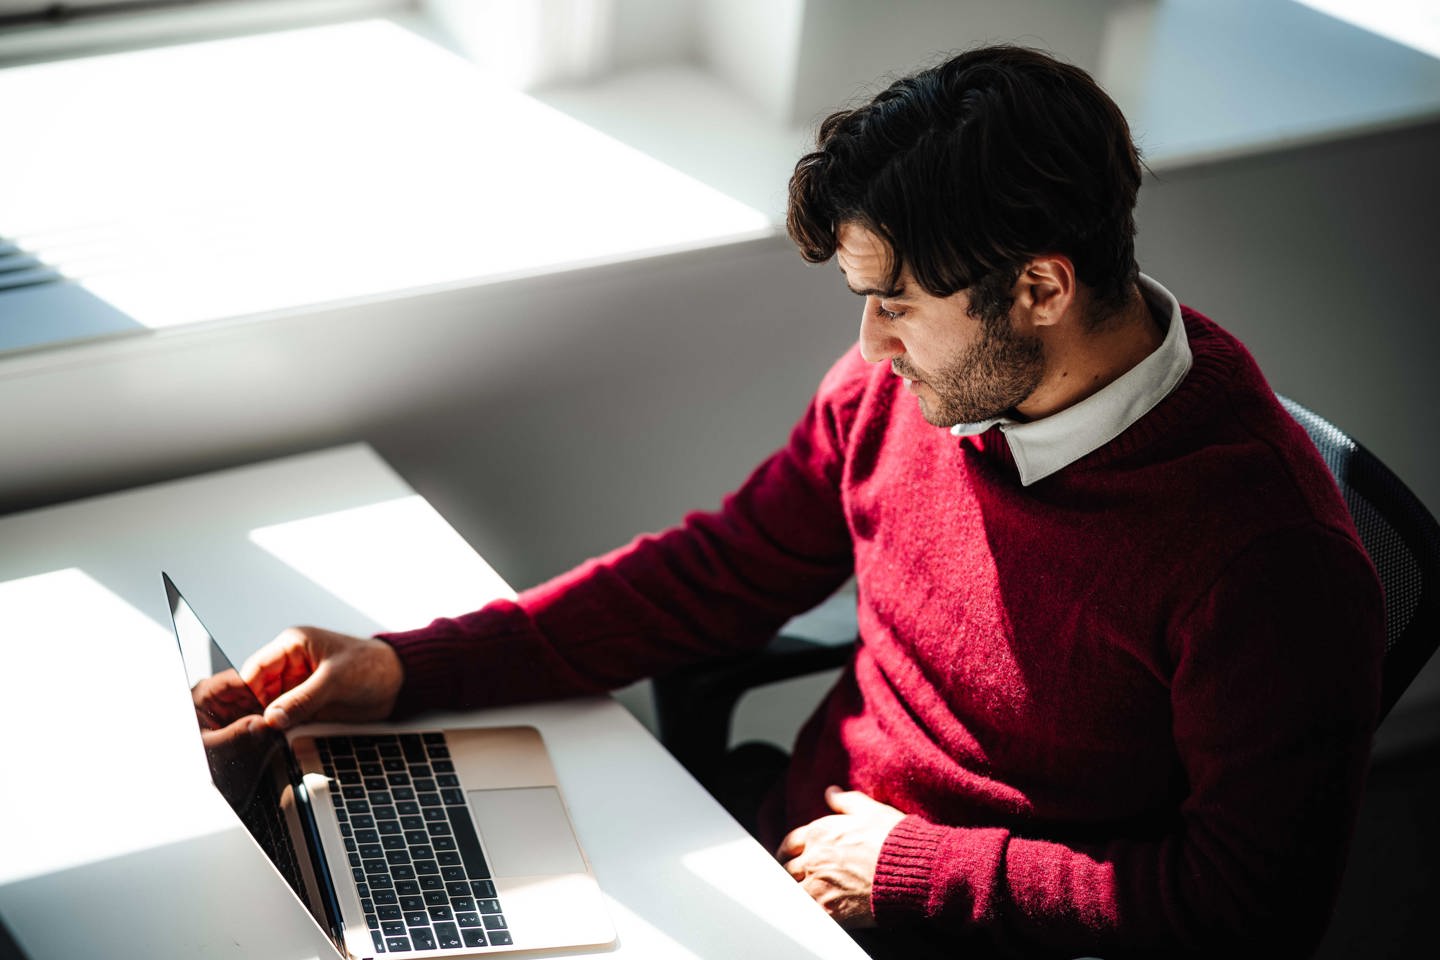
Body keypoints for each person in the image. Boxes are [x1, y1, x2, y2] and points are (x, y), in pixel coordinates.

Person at [243, 46, 1385, 958]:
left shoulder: (1267, 557)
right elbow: (723, 571)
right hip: (791, 845)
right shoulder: (909, 390)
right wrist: (409, 667)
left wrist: (914, 872)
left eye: (897, 303)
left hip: (970, 920)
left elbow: (1249, 907)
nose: (869, 345)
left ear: (1041, 285)